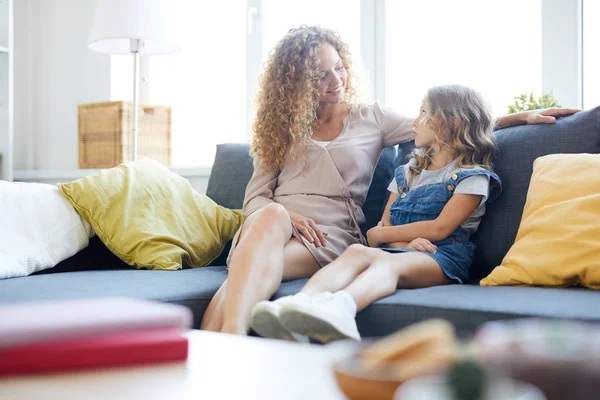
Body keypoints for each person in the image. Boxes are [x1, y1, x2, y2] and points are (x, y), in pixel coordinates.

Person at [200, 25, 578, 338]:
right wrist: (286, 216)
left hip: (327, 237)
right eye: (321, 75)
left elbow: (449, 124)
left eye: (339, 68)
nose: (336, 80)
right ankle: (232, 343)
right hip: (271, 227)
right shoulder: (278, 131)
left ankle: (222, 345)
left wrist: (517, 117)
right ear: (294, 81)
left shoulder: (372, 118)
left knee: (243, 274)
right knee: (267, 221)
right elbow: (255, 201)